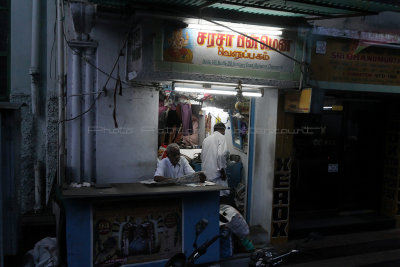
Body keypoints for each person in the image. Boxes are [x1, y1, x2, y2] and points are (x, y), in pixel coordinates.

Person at [201, 122, 229, 196]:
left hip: (206, 172)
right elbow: (221, 155)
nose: (224, 133)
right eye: (224, 131)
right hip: (216, 174)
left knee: (209, 195)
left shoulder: (206, 139)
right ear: (222, 130)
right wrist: (222, 170)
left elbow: (202, 156)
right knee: (220, 194)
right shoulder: (222, 137)